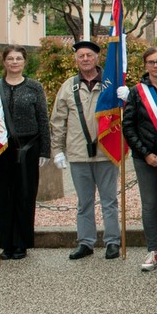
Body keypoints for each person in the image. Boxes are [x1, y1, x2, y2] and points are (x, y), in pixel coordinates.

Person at [51, 41, 121, 260]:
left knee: (109, 200)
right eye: (80, 56)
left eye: (89, 55)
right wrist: (57, 150)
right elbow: (58, 121)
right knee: (84, 202)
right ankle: (86, 242)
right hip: (79, 152)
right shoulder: (68, 86)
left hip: (106, 151)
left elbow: (124, 116)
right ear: (76, 60)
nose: (85, 59)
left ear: (97, 58)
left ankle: (112, 242)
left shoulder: (111, 84)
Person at [122, 47, 157, 271]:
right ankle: (152, 251)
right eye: (150, 62)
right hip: (143, 156)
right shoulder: (136, 92)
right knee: (149, 204)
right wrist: (146, 153)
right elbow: (129, 125)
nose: (155, 66)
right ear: (145, 65)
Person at [0, 45, 50, 260]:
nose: (14, 62)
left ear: (24, 62)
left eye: (18, 58)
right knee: (4, 195)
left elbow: (43, 119)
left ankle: (21, 243)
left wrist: (45, 150)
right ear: (4, 62)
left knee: (25, 195)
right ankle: (6, 243)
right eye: (10, 58)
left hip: (28, 147)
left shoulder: (35, 87)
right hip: (2, 148)